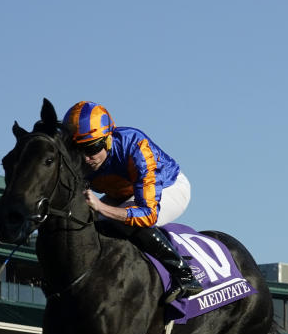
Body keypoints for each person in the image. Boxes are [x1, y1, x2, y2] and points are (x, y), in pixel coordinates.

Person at [62, 101, 203, 303]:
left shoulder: (135, 145)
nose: (85, 158)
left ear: (108, 140)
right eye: (77, 150)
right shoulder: (79, 157)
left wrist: (101, 206)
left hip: (168, 187)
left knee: (123, 219)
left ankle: (184, 275)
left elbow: (147, 214)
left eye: (91, 148)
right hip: (122, 192)